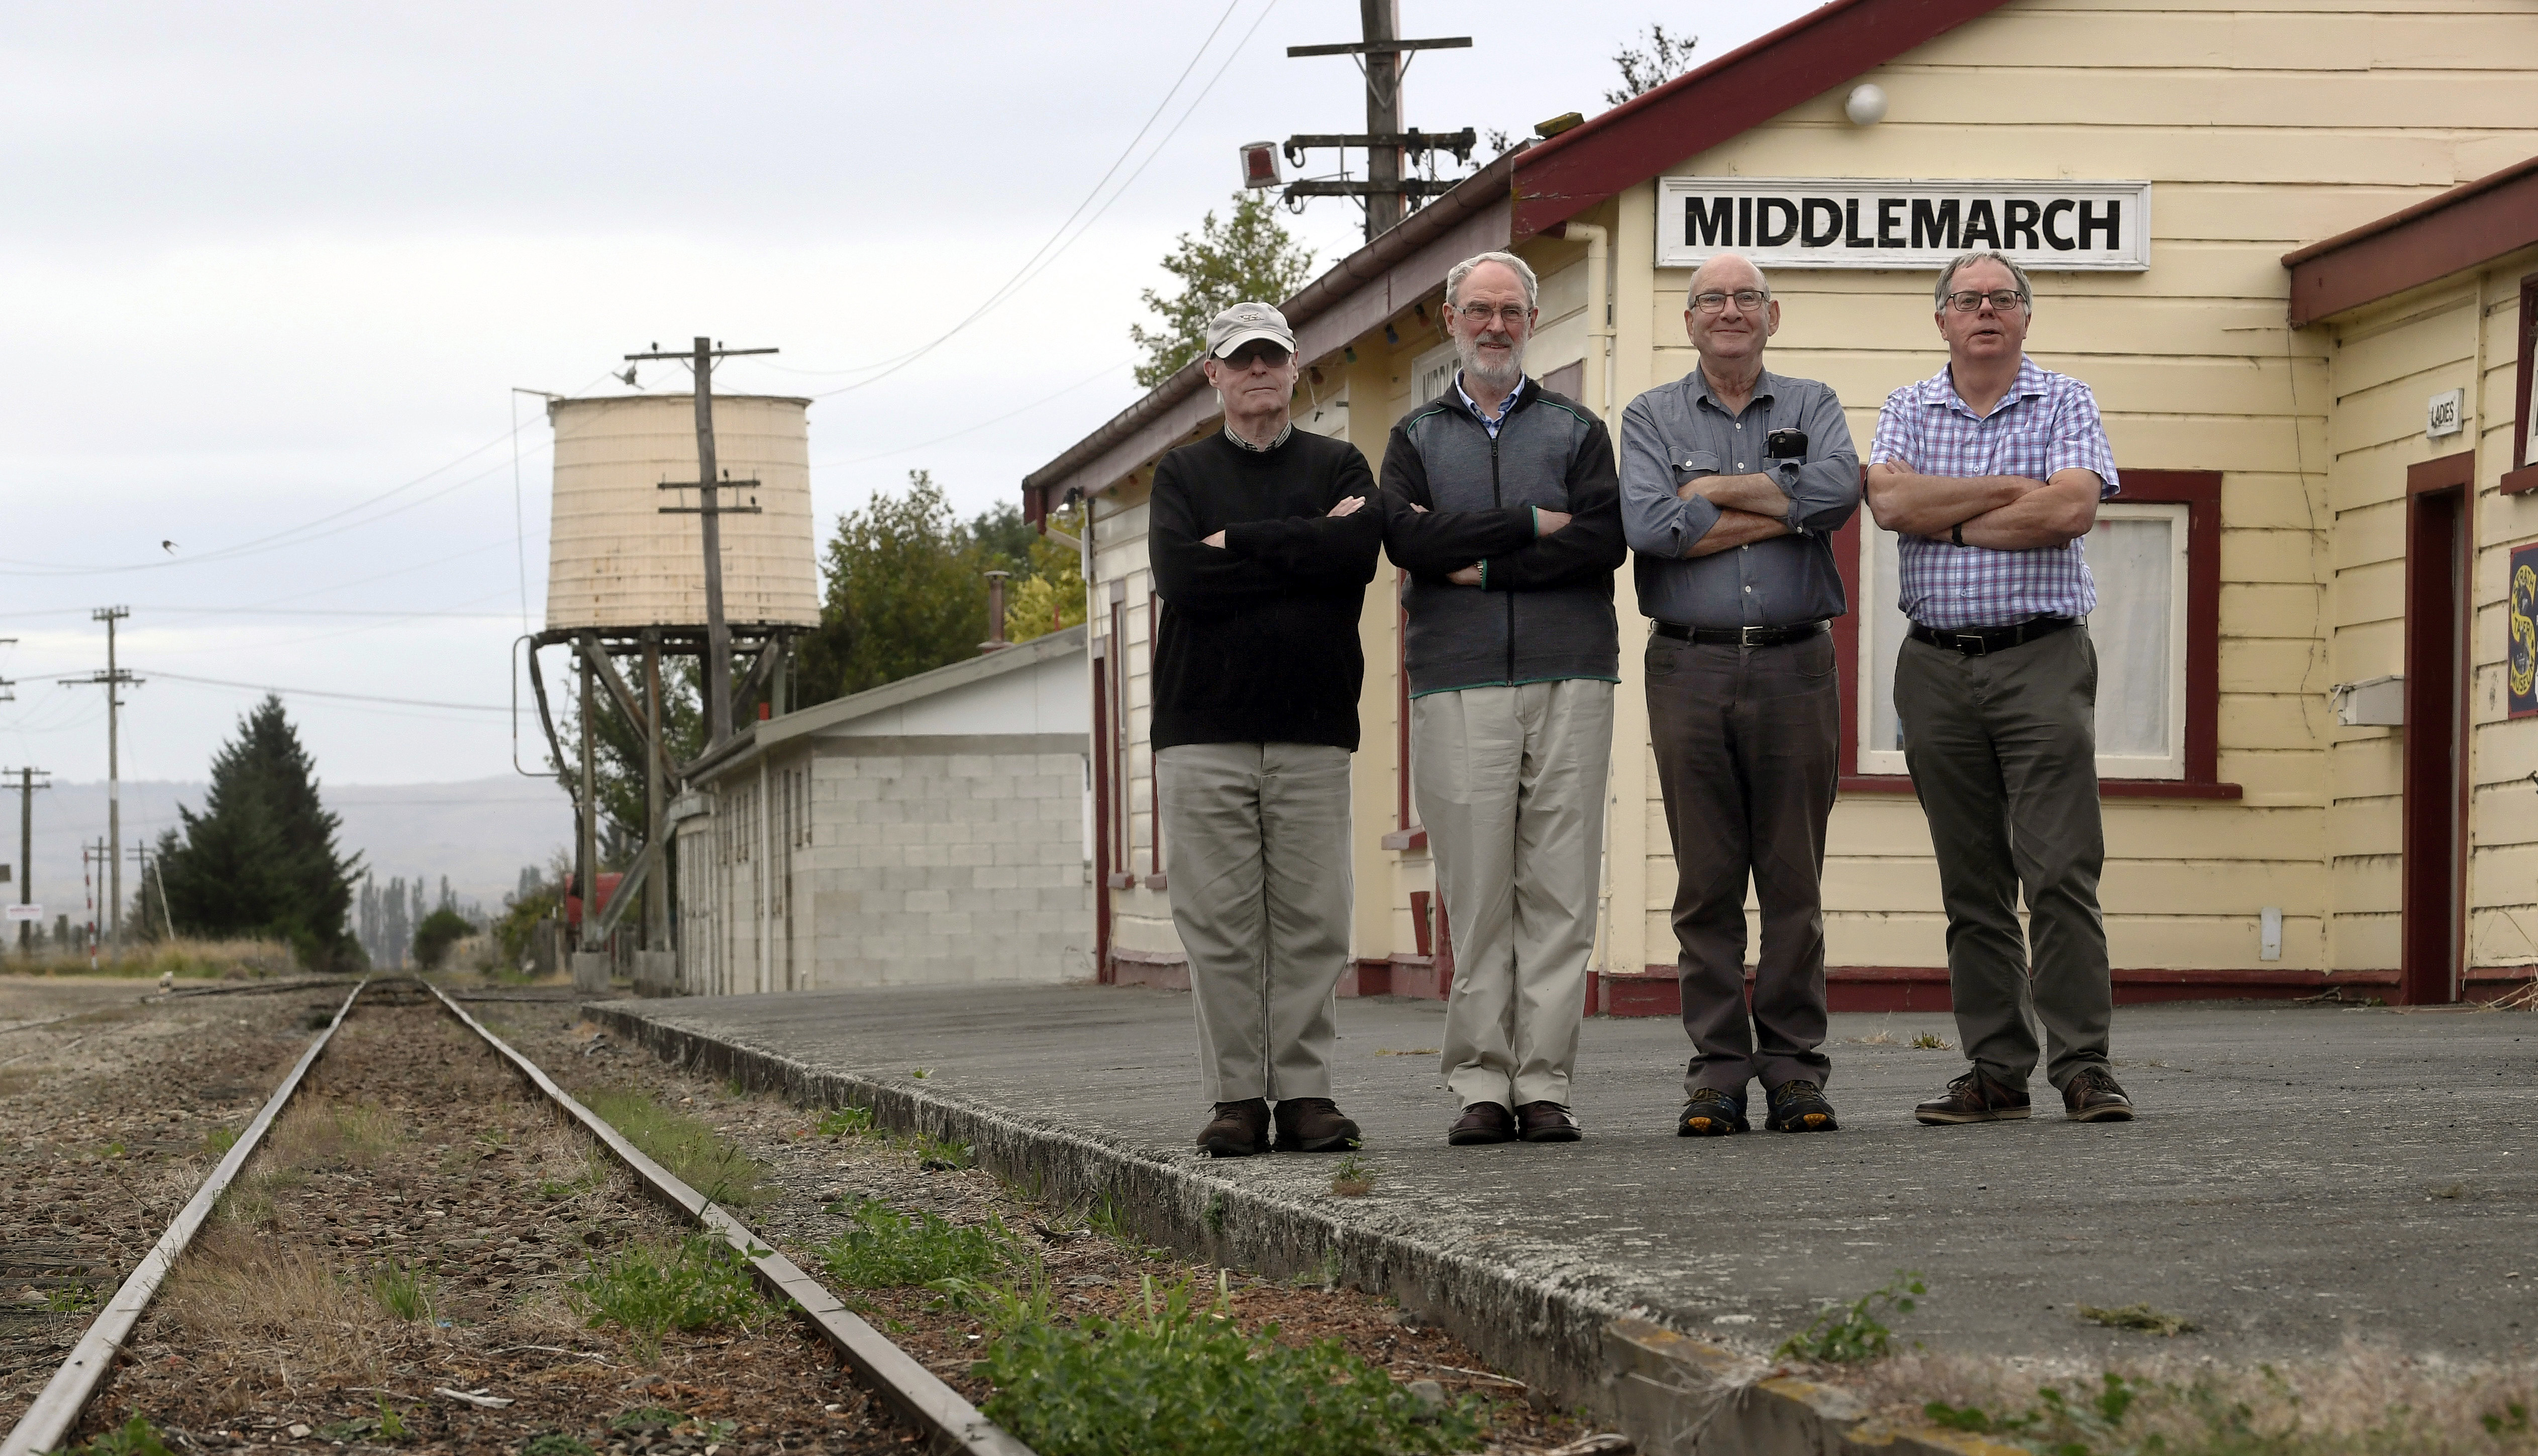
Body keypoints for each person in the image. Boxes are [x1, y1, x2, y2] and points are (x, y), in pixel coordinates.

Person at [1863, 251, 2135, 1126]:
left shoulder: (2066, 400)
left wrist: (1957, 523)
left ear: (2027, 316)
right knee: (1971, 882)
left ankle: (2084, 1066)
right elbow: (1893, 507)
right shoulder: (1908, 405)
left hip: (2041, 658)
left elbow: (2069, 511)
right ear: (1940, 318)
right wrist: (2004, 493)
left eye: (2003, 298)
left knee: (2059, 870)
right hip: (1936, 666)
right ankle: (1996, 1071)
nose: (1986, 310)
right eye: (1968, 299)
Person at [1378, 251, 1626, 1147]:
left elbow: (1602, 539)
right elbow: (1404, 536)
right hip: (1458, 679)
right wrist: (1527, 524)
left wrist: (1469, 561)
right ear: (1451, 320)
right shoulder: (1415, 437)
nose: (1495, 325)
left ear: (1532, 319)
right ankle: (1482, 1081)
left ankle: (1546, 1083)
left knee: (1560, 888)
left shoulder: (1576, 429)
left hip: (1572, 673)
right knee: (1477, 891)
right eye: (1478, 310)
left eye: (1511, 311)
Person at [1617, 253, 1860, 1138]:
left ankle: (1794, 1069)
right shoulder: (1649, 414)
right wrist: (1783, 506)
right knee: (1707, 880)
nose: (1730, 310)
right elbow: (1647, 525)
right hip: (1690, 666)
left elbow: (1838, 490)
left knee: (1794, 881)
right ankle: (1718, 1070)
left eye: (1746, 297)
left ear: (1773, 314)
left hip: (1798, 664)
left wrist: (1710, 493)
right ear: (1689, 320)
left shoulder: (1812, 404)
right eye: (1712, 298)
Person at [1149, 301, 1386, 1159]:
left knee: (1313, 919)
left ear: (1294, 370)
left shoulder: (1340, 463)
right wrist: (1302, 548)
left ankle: (1307, 1094)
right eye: (1240, 359)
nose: (1258, 372)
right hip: (1201, 730)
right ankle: (1238, 1098)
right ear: (1212, 374)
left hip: (1314, 726)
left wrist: (1238, 544)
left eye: (1271, 358)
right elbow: (1184, 579)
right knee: (1220, 924)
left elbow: (1356, 557)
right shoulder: (1180, 475)